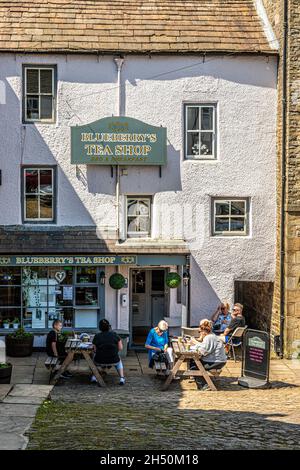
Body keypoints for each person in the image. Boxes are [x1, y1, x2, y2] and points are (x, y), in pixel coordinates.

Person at [190, 319, 227, 390]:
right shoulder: (211, 336)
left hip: (216, 362)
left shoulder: (209, 338)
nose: (199, 333)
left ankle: (204, 385)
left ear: (204, 331)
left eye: (199, 331)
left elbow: (203, 351)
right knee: (194, 362)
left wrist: (195, 343)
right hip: (219, 360)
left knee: (195, 366)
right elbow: (205, 348)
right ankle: (202, 381)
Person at [92, 319, 125, 385]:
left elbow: (95, 350)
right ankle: (122, 378)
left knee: (93, 358)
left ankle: (94, 376)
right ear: (109, 327)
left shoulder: (97, 336)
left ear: (100, 328)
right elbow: (120, 348)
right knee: (119, 361)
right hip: (113, 359)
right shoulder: (115, 335)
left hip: (100, 360)